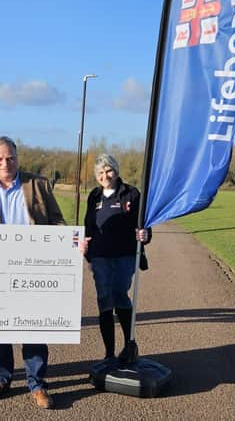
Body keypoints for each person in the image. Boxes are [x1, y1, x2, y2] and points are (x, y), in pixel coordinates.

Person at [0, 136, 65, 409]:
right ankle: (1, 378)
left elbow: (57, 220)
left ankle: (37, 384)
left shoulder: (38, 184)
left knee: (34, 329)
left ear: (18, 158)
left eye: (10, 158)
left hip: (34, 267)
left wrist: (65, 239)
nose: (5, 163)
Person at [83, 154, 151, 364]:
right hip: (100, 257)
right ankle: (109, 354)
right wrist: (85, 248)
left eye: (109, 170)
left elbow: (144, 223)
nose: (105, 175)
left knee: (120, 295)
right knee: (104, 299)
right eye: (101, 173)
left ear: (116, 170)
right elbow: (88, 226)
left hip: (125, 255)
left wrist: (145, 234)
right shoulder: (94, 196)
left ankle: (129, 346)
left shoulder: (131, 193)